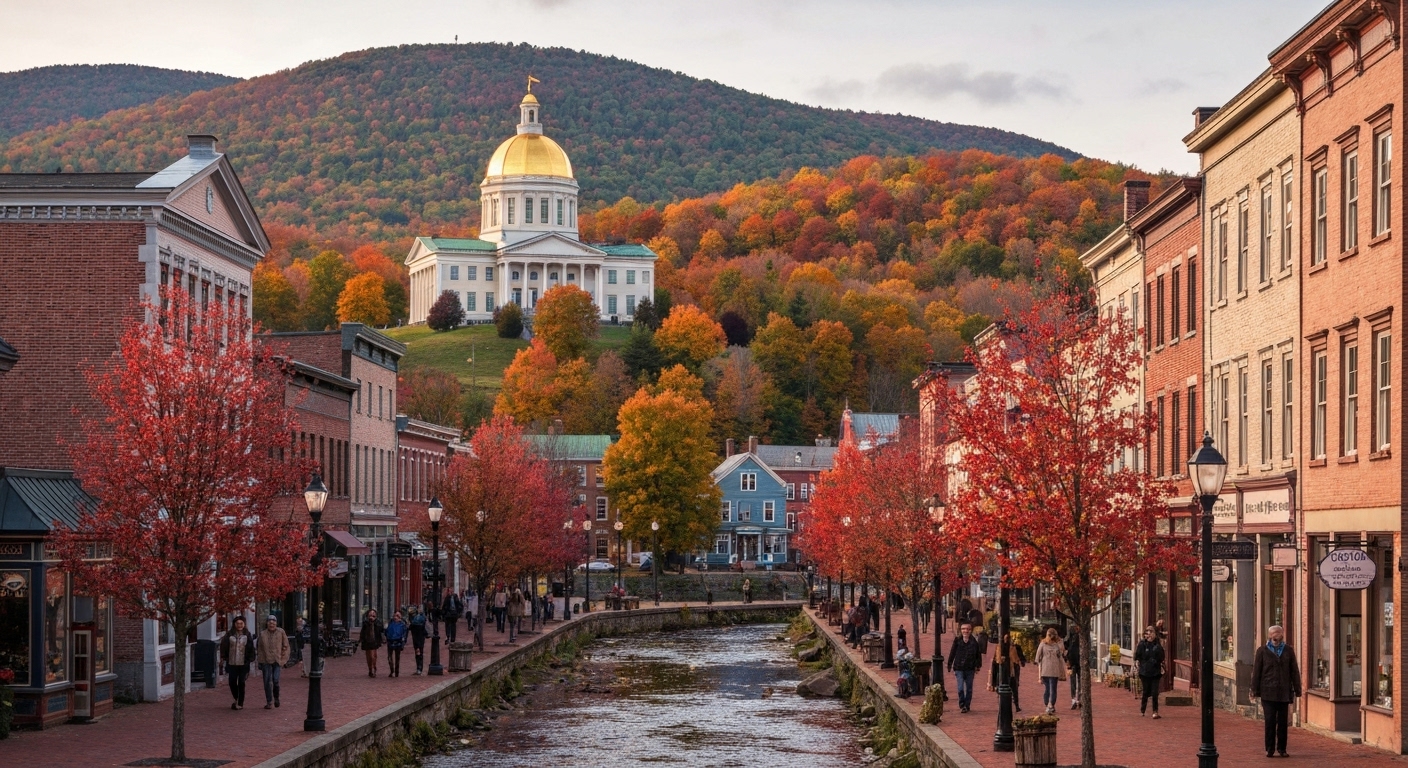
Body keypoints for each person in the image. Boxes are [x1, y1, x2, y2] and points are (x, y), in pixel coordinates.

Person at [1251, 624, 1302, 758]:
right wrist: (1253, 690)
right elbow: (1256, 672)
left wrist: (1298, 689)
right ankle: (1269, 748)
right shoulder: (1262, 651)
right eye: (1274, 633)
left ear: (1282, 634)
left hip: (1284, 692)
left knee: (1283, 723)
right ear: (1269, 635)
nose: (1276, 635)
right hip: (1267, 692)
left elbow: (1294, 671)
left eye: (1279, 632)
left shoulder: (1288, 651)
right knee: (1270, 721)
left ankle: (1282, 749)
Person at [946, 623, 983, 713]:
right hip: (959, 668)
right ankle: (962, 703)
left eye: (968, 629)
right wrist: (949, 664)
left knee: (969, 688)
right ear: (961, 630)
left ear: (970, 630)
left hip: (970, 668)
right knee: (960, 688)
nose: (965, 631)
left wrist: (978, 666)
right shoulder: (957, 641)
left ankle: (967, 705)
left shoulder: (974, 642)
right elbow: (952, 652)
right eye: (963, 629)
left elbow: (978, 655)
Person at [219, 616, 255, 710]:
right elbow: (224, 646)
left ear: (244, 624)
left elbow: (251, 647)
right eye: (237, 624)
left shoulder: (247, 635)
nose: (239, 625)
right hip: (232, 663)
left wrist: (250, 658)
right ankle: (236, 697)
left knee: (242, 682)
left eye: (241, 623)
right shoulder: (229, 635)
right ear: (234, 624)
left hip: (243, 663)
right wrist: (224, 657)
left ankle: (240, 703)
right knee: (232, 682)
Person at [987, 631, 1027, 712]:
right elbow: (995, 662)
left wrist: (1021, 662)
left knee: (1014, 689)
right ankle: (1002, 706)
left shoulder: (1016, 647)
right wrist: (993, 680)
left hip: (1013, 671)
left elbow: (1022, 658)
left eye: (1008, 638)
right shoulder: (999, 647)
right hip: (1002, 671)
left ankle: (1016, 705)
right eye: (1005, 638)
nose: (1007, 640)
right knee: (1000, 688)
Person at [256, 616, 290, 709]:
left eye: (273, 622)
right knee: (267, 681)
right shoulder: (262, 634)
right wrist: (260, 661)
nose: (272, 624)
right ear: (267, 623)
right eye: (270, 622)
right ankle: (269, 701)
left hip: (277, 660)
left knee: (275, 680)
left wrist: (283, 659)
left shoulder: (281, 632)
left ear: (276, 623)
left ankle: (276, 698)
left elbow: (286, 645)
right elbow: (260, 649)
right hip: (266, 660)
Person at [1133, 625, 1165, 718]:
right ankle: (1143, 710)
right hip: (1144, 671)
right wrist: (1138, 663)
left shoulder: (1157, 645)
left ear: (1155, 634)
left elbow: (1162, 657)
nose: (1149, 634)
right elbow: (1137, 656)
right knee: (1146, 691)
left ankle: (1155, 711)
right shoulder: (1142, 644)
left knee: (1155, 692)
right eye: (1148, 632)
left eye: (1151, 632)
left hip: (1155, 671)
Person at [1034, 627, 1067, 715]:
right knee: (1051, 688)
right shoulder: (1048, 644)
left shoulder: (1046, 644)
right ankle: (1050, 705)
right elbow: (1061, 654)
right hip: (1049, 669)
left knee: (1049, 688)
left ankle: (1049, 705)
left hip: (1049, 669)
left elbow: (1037, 657)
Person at [359, 609, 384, 677]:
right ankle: (370, 669)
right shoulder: (365, 623)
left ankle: (374, 668)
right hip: (367, 641)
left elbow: (381, 629)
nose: (372, 616)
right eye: (370, 615)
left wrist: (374, 622)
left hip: (374, 641)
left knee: (373, 656)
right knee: (368, 656)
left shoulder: (378, 622)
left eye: (373, 615)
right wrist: (361, 639)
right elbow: (362, 632)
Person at [384, 610, 408, 677]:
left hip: (398, 642)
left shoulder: (402, 624)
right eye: (395, 615)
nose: (396, 617)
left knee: (397, 658)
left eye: (398, 616)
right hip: (390, 641)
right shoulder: (390, 623)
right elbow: (386, 632)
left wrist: (403, 643)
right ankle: (392, 670)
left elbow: (405, 634)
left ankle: (397, 672)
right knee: (389, 657)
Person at [1065, 623, 1083, 710]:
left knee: (1074, 681)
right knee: (1078, 680)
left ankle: (1075, 699)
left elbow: (1066, 648)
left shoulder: (1071, 637)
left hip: (1073, 661)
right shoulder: (1081, 636)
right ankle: (1077, 699)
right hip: (1078, 661)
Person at [408, 605, 428, 675]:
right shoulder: (418, 618)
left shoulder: (417, 619)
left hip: (419, 637)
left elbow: (411, 626)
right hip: (418, 637)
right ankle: (419, 668)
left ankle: (419, 668)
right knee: (418, 651)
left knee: (418, 651)